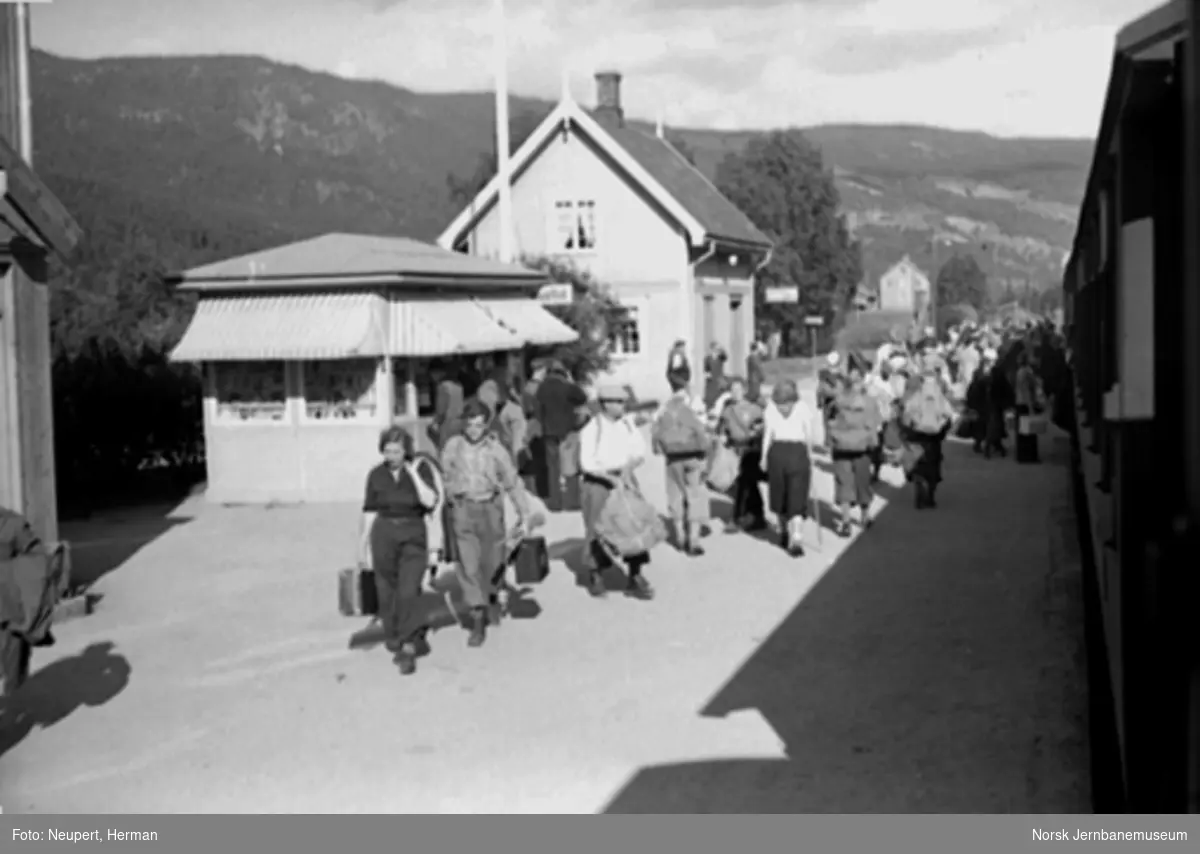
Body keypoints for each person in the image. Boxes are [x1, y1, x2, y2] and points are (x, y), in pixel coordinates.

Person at [440, 399, 531, 648]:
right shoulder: (453, 446)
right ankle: (477, 617)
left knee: (493, 562)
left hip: (491, 508)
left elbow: (512, 481)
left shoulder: (496, 449)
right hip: (464, 508)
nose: (473, 430)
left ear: (486, 425)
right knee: (468, 566)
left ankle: (491, 595)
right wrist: (451, 495)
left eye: (478, 425)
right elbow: (445, 474)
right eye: (469, 425)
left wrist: (524, 513)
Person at [359, 426, 441, 675]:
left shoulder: (420, 470)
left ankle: (408, 644)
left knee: (409, 588)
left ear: (406, 451)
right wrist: (361, 548)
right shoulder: (375, 475)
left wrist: (413, 474)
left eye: (397, 451)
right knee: (386, 590)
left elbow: (430, 501)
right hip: (384, 533)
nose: (392, 456)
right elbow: (369, 512)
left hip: (413, 533)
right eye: (387, 451)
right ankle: (394, 634)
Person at [578, 385, 653, 599]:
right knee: (597, 528)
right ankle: (596, 573)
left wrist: (629, 468)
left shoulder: (628, 424)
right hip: (598, 482)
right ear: (606, 404)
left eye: (623, 402)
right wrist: (609, 477)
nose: (622, 406)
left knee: (634, 524)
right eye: (618, 402)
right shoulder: (592, 428)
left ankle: (635, 574)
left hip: (624, 477)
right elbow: (587, 462)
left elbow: (639, 450)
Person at [651, 380, 712, 556]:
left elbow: (655, 432)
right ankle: (693, 540)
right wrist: (705, 450)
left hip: (672, 458)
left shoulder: (664, 408)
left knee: (675, 495)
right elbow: (701, 430)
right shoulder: (693, 405)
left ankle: (679, 536)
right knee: (695, 495)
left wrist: (658, 449)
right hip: (693, 456)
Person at [827, 354, 882, 535]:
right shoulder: (870, 402)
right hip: (863, 448)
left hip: (841, 447)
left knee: (844, 483)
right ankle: (865, 517)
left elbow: (829, 419)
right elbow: (876, 423)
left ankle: (845, 522)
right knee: (862, 482)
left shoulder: (838, 400)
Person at [760, 379, 816, 557]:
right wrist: (810, 455)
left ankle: (784, 531)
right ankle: (797, 539)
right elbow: (809, 435)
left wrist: (763, 457)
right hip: (797, 453)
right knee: (797, 497)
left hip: (777, 453)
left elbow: (767, 435)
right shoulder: (803, 408)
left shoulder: (770, 408)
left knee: (780, 493)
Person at [534, 361, 588, 512]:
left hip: (549, 432)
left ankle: (555, 503)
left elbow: (537, 410)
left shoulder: (542, 388)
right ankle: (572, 502)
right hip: (568, 431)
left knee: (553, 469)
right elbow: (583, 397)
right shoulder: (567, 386)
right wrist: (572, 381)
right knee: (570, 467)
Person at [899, 368, 956, 510]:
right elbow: (949, 414)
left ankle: (919, 485)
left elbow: (907, 412)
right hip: (934, 437)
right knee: (934, 465)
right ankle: (930, 497)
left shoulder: (917, 395)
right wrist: (943, 429)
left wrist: (909, 428)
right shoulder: (939, 396)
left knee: (919, 463)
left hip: (918, 435)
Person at [719, 377, 766, 531]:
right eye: (732, 390)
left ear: (744, 391)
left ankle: (740, 518)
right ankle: (753, 516)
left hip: (750, 450)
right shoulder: (727, 410)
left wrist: (756, 433)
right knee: (742, 485)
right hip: (734, 450)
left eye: (738, 390)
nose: (735, 393)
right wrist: (723, 438)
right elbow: (722, 429)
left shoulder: (753, 409)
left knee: (745, 485)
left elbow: (761, 427)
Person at [1014, 351, 1043, 464]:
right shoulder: (1027, 372)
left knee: (1022, 431)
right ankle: (1029, 456)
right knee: (1029, 432)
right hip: (1026, 404)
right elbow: (1027, 390)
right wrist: (1030, 406)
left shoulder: (1019, 371)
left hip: (1019, 402)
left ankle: (1022, 455)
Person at [703, 342, 728, 409]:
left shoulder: (720, 357)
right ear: (712, 348)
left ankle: (720, 409)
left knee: (720, 396)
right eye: (715, 348)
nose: (716, 349)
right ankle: (710, 409)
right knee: (710, 397)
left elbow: (725, 357)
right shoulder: (708, 358)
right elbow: (706, 369)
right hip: (711, 380)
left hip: (720, 379)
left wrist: (721, 348)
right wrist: (707, 376)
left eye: (717, 348)